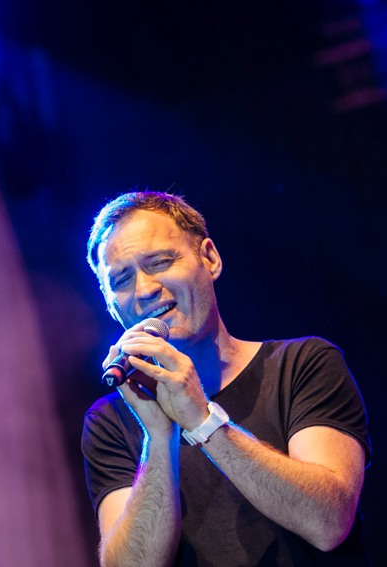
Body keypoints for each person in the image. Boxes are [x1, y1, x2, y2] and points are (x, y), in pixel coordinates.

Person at [81, 191, 371, 566]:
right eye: (121, 280)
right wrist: (158, 437)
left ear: (210, 258)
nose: (145, 289)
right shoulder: (110, 421)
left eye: (161, 262)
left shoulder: (303, 364)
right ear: (109, 304)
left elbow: (327, 523)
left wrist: (202, 421)